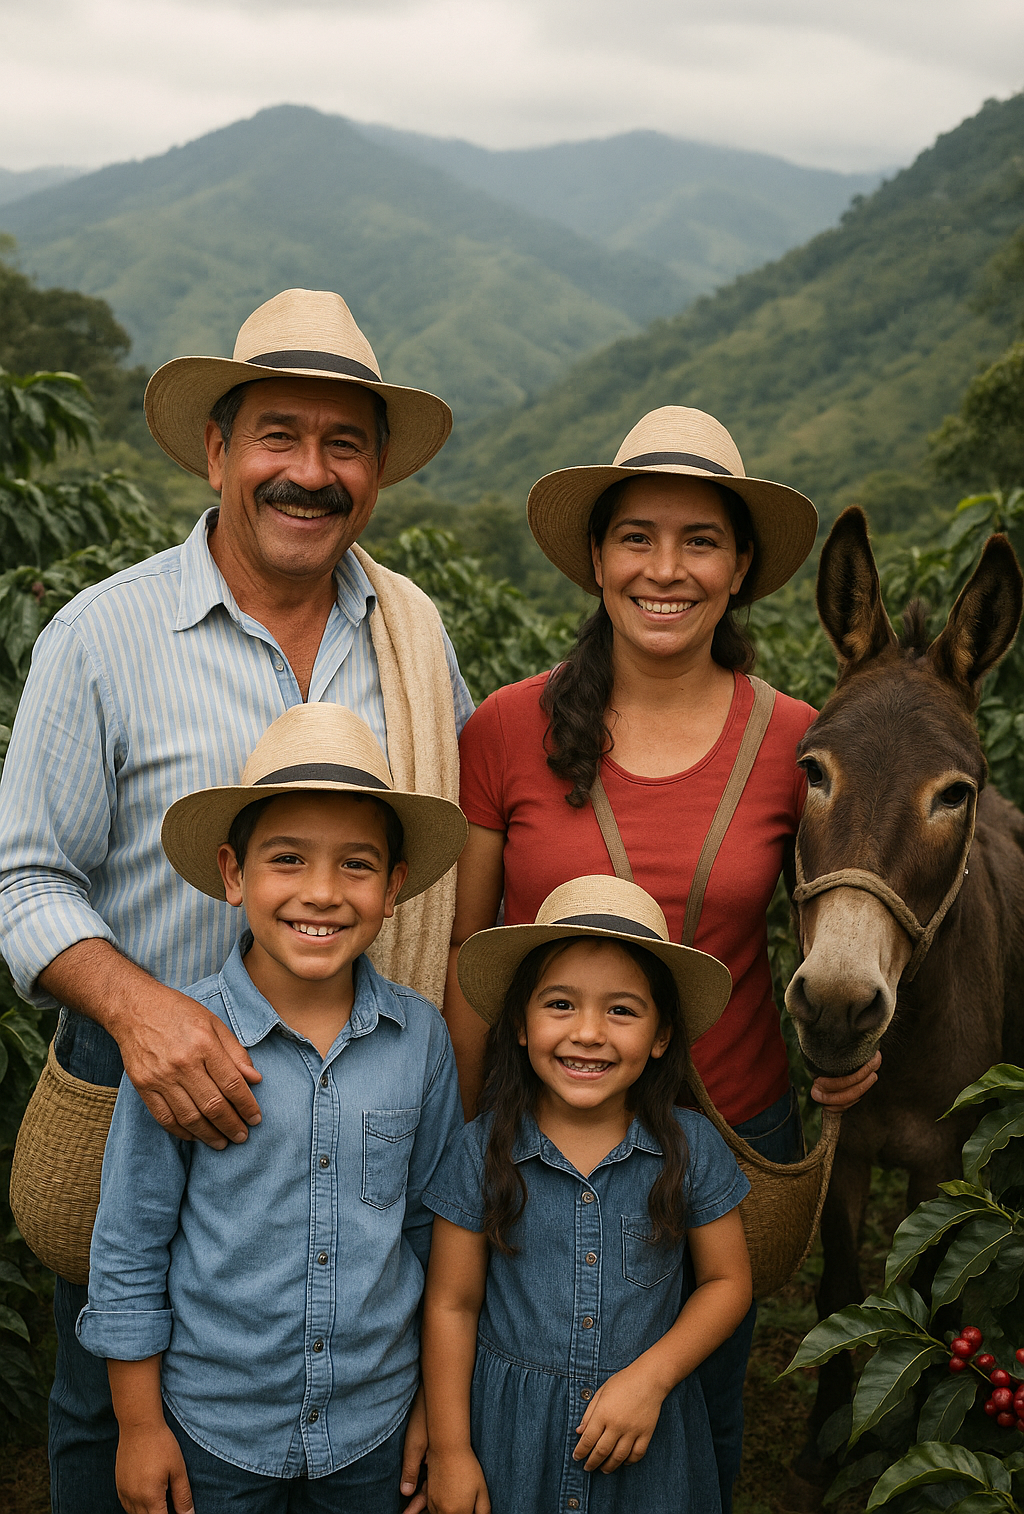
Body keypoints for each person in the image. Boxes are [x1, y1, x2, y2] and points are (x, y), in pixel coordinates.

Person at [0, 288, 472, 1512]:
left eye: (343, 444)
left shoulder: (413, 641)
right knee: (119, 1430)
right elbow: (21, 878)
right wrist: (144, 1011)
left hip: (364, 1104)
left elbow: (458, 864)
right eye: (277, 436)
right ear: (215, 450)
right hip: (145, 1107)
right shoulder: (105, 637)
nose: (307, 473)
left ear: (375, 471)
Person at [442, 406, 880, 1507]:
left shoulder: (798, 740)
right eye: (636, 536)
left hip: (724, 1133)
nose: (664, 569)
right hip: (540, 1143)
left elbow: (840, 921)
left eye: (699, 541)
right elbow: (466, 954)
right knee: (526, 1409)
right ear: (595, 559)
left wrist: (852, 1047)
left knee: (696, 1416)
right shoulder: (504, 729)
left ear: (739, 569)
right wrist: (460, 1146)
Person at [78, 702, 468, 1512]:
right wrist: (141, 1426)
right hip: (214, 1428)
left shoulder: (420, 1041)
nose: (321, 894)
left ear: (394, 887)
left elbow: (431, 1233)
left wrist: (436, 1405)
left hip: (373, 1425)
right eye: (287, 858)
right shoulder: (182, 1044)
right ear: (233, 873)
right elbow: (130, 1244)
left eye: (357, 866)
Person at [421, 876, 752, 1514]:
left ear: (660, 1038)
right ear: (519, 1024)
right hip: (513, 1442)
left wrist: (650, 1379)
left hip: (645, 1442)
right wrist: (452, 1450)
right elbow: (452, 1306)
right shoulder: (479, 1151)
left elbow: (727, 1282)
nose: (589, 1033)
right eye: (561, 1005)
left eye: (622, 1010)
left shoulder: (691, 1149)